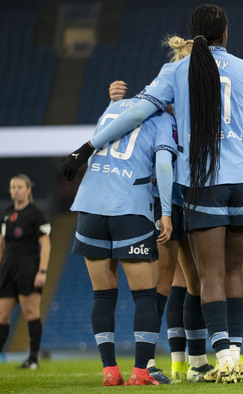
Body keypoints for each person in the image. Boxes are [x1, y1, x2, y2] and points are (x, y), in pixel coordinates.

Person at [63, 4, 243, 383]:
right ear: (225, 35)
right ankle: (219, 353)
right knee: (234, 271)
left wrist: (87, 147)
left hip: (200, 183)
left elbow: (135, 115)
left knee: (203, 274)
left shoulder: (175, 71)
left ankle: (222, 357)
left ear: (192, 36)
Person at [107, 36, 213, 384]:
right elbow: (127, 130)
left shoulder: (197, 108)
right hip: (163, 203)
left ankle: (194, 363)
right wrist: (117, 103)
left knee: (194, 282)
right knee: (163, 281)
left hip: (190, 200)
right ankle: (147, 363)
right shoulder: (155, 108)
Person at [70, 92, 176, 386]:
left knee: (102, 294)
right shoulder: (164, 119)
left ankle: (109, 369)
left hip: (90, 205)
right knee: (145, 294)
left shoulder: (114, 107)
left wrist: (111, 100)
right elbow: (164, 165)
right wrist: (166, 211)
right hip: (129, 206)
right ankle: (141, 371)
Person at [0, 174, 51, 370]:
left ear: (28, 189)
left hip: (28, 268)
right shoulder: (7, 212)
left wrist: (43, 271)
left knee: (31, 313)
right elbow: (2, 243)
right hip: (8, 269)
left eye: (20, 187)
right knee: (2, 316)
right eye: (13, 187)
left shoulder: (35, 213)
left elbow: (45, 244)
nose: (16, 190)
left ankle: (33, 359)